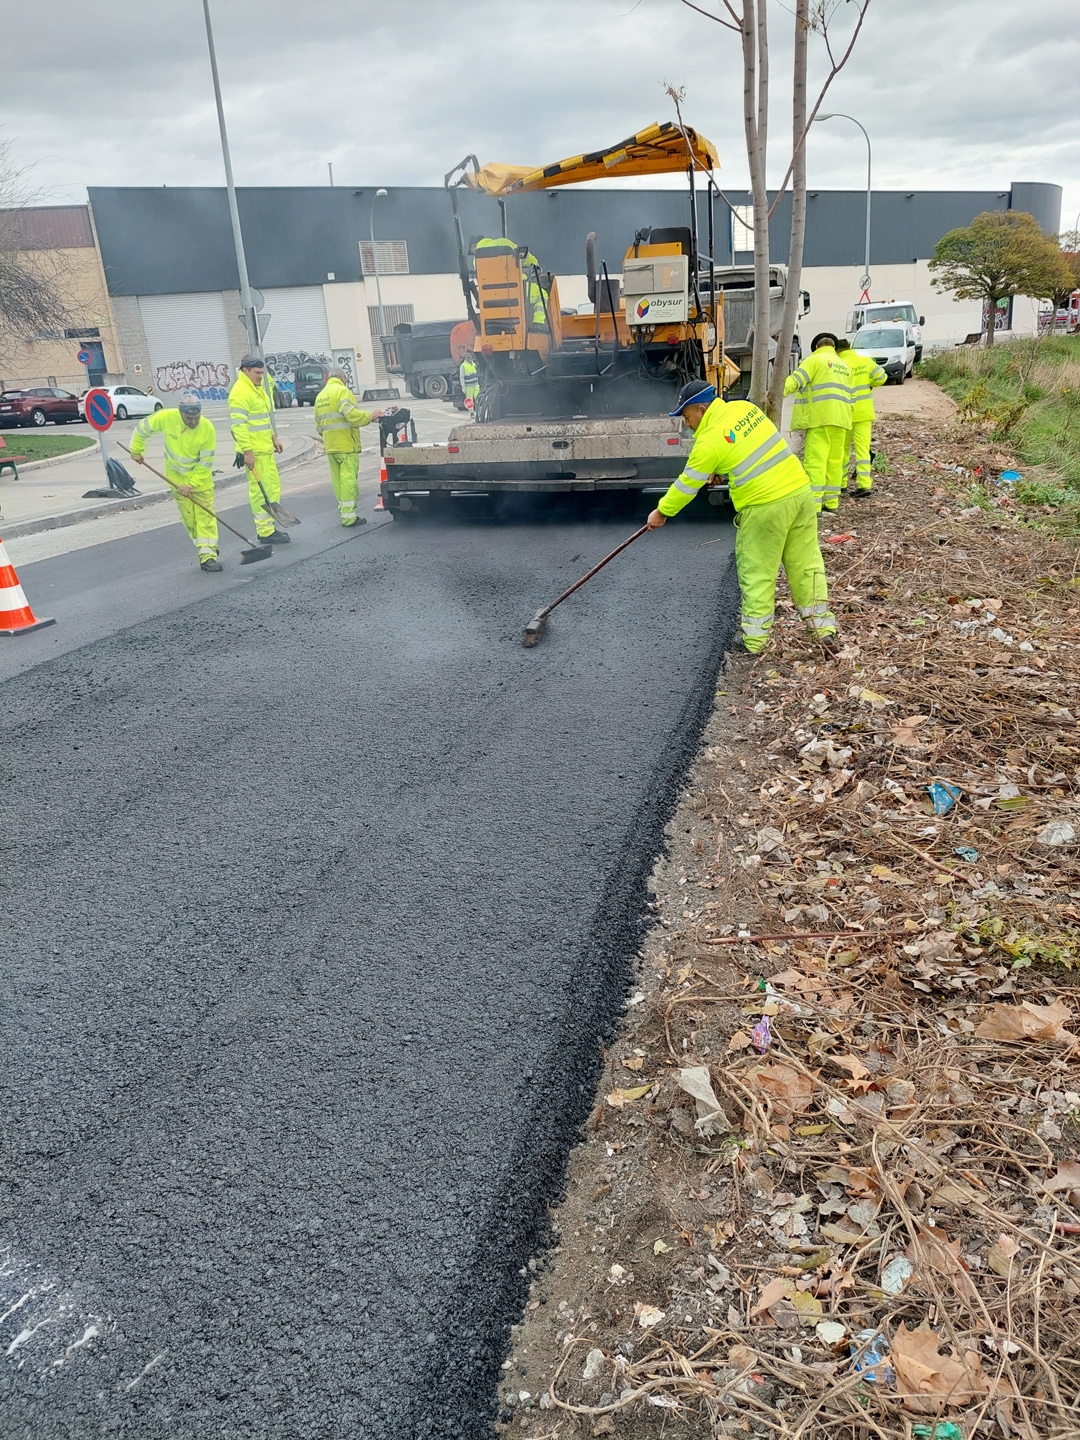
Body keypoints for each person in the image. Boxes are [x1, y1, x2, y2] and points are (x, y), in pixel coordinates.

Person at [646, 379, 837, 656]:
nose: (686, 424)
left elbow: (687, 485)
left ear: (701, 410)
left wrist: (661, 512)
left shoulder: (708, 443)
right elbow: (746, 447)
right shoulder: (746, 409)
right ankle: (823, 630)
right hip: (800, 494)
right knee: (806, 564)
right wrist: (723, 469)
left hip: (765, 507)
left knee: (757, 572)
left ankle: (754, 642)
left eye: (686, 417)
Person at [130, 391, 222, 572]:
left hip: (200, 482)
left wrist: (191, 484)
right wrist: (136, 450)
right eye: (189, 418)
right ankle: (203, 547)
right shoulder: (166, 417)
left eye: (197, 418)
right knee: (190, 520)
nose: (194, 422)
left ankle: (208, 555)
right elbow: (142, 428)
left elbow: (205, 462)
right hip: (176, 481)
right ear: (181, 413)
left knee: (205, 518)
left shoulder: (207, 428)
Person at [783, 332, 853, 514]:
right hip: (842, 420)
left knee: (816, 462)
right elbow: (851, 395)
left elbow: (795, 381)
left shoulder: (813, 360)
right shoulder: (845, 366)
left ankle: (814, 506)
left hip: (820, 419)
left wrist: (775, 392)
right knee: (835, 462)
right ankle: (832, 502)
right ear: (833, 347)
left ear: (816, 347)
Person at [228, 355, 289, 544]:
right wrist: (247, 453)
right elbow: (238, 426)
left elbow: (262, 418)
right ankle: (265, 532)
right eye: (257, 372)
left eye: (262, 373)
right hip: (254, 452)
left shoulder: (255, 389)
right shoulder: (240, 392)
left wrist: (273, 438)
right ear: (245, 371)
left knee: (272, 489)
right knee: (260, 492)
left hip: (264, 449)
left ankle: (269, 526)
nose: (260, 376)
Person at [313, 368, 383, 527]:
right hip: (346, 445)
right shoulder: (342, 391)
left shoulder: (320, 396)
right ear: (343, 377)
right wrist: (371, 416)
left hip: (331, 446)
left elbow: (319, 426)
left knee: (338, 482)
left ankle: (344, 513)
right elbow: (352, 416)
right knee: (348, 482)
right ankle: (349, 517)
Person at [835, 337, 886, 498]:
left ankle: (841, 484)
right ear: (849, 347)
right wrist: (869, 383)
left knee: (842, 450)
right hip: (864, 413)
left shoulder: (839, 365)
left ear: (837, 351)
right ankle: (864, 484)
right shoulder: (866, 361)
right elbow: (882, 377)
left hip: (845, 413)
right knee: (863, 449)